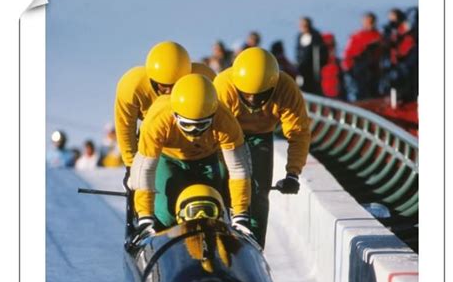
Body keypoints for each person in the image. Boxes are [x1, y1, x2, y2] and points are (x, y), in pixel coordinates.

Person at [129, 73, 252, 237]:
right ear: (175, 116)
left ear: (213, 116)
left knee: (212, 208)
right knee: (166, 216)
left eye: (201, 126)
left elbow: (238, 168)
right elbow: (145, 169)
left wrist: (240, 215)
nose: (194, 133)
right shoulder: (157, 121)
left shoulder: (226, 121)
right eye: (188, 125)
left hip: (207, 157)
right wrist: (145, 217)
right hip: (168, 159)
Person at [214, 47, 311, 248]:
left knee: (258, 191)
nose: (252, 101)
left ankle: (255, 244)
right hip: (225, 137)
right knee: (222, 184)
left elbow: (298, 132)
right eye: (246, 95)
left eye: (259, 96)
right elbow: (210, 127)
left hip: (261, 136)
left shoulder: (286, 88)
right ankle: (218, 236)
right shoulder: (223, 86)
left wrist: (292, 173)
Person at [114, 41, 192, 212]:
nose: (170, 93)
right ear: (151, 80)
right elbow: (125, 127)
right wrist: (131, 166)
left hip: (192, 144)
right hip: (154, 144)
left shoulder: (203, 80)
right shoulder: (131, 86)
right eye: (164, 87)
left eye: (176, 86)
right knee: (159, 202)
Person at [341, 12, 382, 101]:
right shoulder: (356, 36)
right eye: (367, 22)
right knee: (361, 91)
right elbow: (348, 53)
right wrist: (348, 68)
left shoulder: (379, 36)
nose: (369, 24)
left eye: (371, 22)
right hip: (359, 68)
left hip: (374, 69)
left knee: (374, 92)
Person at [295, 17, 328, 95]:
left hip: (314, 71)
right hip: (302, 69)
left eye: (305, 25)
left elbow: (321, 54)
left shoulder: (316, 36)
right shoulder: (299, 37)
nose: (303, 27)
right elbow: (298, 52)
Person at [320, 33, 345, 99]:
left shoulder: (338, 63)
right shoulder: (318, 64)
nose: (330, 50)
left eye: (332, 46)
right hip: (323, 97)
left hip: (337, 96)